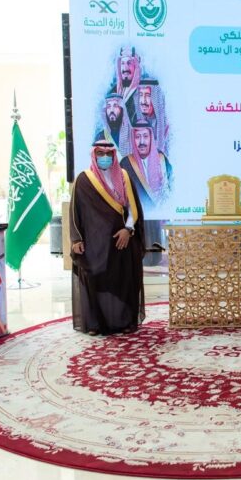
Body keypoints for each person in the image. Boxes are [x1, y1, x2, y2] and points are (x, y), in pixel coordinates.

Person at [70, 140, 145, 335]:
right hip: (95, 245)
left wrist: (128, 230)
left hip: (121, 242)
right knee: (96, 282)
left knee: (123, 282)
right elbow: (75, 213)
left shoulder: (124, 176)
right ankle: (95, 324)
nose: (104, 157)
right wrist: (76, 239)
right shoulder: (83, 180)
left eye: (108, 154)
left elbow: (133, 209)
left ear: (113, 155)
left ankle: (125, 322)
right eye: (100, 153)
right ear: (94, 155)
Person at [120, 120, 172, 208]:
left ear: (151, 138)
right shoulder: (125, 164)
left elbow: (172, 189)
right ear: (133, 139)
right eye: (137, 137)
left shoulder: (162, 160)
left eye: (145, 136)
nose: (142, 142)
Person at [132, 79, 169, 154]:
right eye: (141, 95)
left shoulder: (165, 125)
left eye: (148, 96)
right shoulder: (134, 121)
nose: (143, 101)